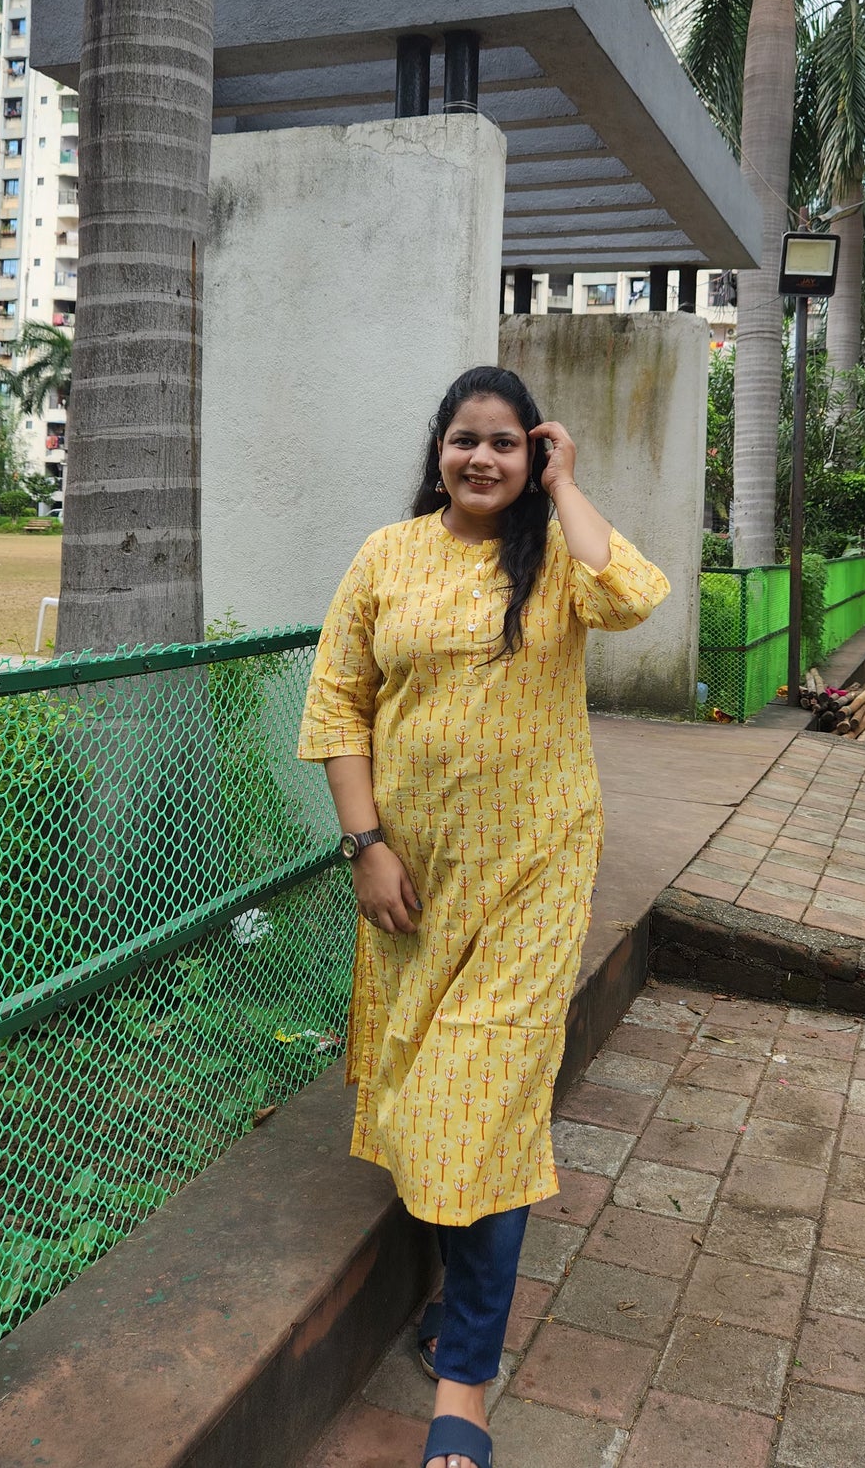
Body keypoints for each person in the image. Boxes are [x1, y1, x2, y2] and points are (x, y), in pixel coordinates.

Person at [299, 365, 668, 1468]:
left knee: (486, 1100)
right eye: (467, 439)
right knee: (423, 1090)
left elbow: (636, 593)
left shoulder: (556, 554)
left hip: (532, 874)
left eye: (508, 443)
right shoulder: (387, 553)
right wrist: (366, 848)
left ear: (533, 453)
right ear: (439, 448)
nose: (483, 460)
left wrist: (566, 485)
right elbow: (337, 703)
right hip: (412, 880)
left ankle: (465, 1382)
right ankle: (458, 1297)